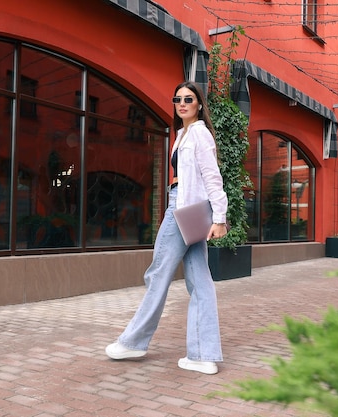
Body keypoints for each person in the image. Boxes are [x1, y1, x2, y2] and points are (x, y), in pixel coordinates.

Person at [105, 81, 228, 375]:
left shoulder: (198, 133)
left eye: (189, 98)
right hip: (189, 209)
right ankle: (203, 355)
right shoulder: (183, 134)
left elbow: (212, 177)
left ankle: (133, 341)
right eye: (178, 99)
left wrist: (220, 218)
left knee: (158, 273)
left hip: (183, 209)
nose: (183, 103)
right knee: (200, 282)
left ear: (199, 104)